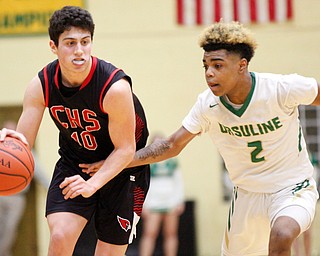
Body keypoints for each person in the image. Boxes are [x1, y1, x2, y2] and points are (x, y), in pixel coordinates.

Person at [81, 21, 320, 255]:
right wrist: (117, 162)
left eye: (218, 65)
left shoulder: (280, 88)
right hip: (248, 194)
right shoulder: (208, 104)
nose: (209, 73)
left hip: (292, 186)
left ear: (242, 65)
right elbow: (171, 145)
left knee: (282, 234)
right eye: (205, 66)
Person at [0, 6, 150, 256]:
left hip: (123, 170)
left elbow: (126, 149)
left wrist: (93, 184)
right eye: (70, 43)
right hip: (74, 164)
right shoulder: (41, 85)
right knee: (59, 237)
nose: (79, 51)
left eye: (85, 42)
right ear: (53, 46)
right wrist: (7, 145)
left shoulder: (115, 87)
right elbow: (22, 143)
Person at [0, 120, 50, 256]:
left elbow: (38, 172)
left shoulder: (23, 150)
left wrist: (52, 189)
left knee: (10, 229)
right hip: (0, 196)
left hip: (17, 198)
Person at [139, 134, 185, 256]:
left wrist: (179, 201)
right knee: (149, 233)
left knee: (171, 234)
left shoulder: (172, 161)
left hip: (170, 202)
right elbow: (143, 184)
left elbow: (178, 182)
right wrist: (144, 204)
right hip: (153, 203)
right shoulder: (147, 162)